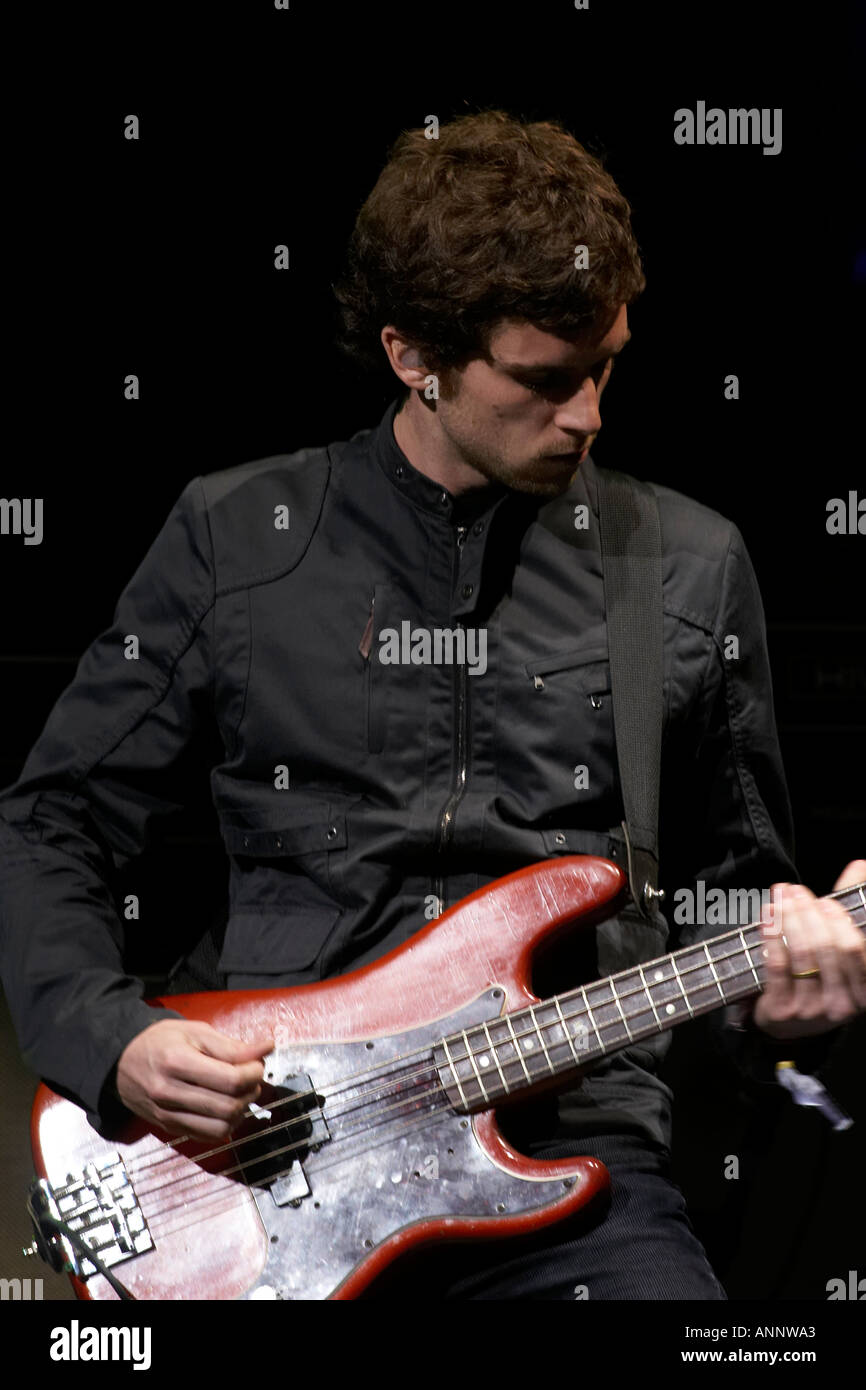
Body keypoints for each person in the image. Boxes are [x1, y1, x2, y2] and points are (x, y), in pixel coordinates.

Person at [1, 110, 863, 1301]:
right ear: (415, 356)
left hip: (573, 1171)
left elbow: (727, 909)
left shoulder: (685, 565)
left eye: (606, 365)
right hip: (260, 1164)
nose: (588, 415)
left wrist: (787, 993)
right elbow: (50, 822)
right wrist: (114, 1037)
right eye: (543, 380)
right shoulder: (235, 538)